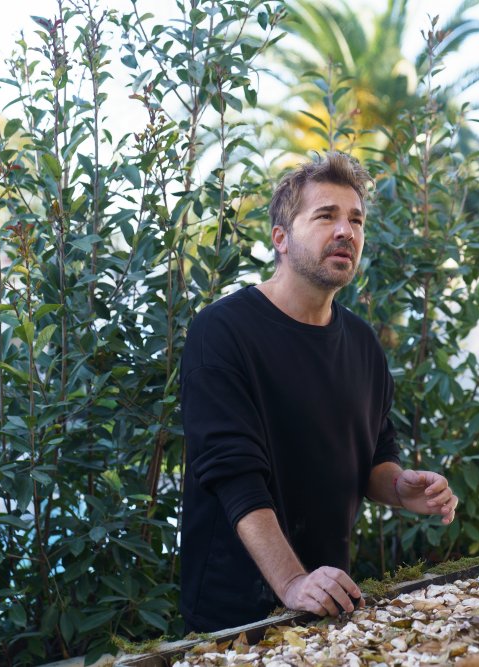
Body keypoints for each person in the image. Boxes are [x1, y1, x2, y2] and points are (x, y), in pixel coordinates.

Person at [179, 151, 459, 633]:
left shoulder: (362, 344)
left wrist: (399, 487)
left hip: (328, 603)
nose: (346, 231)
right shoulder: (221, 332)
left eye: (356, 220)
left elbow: (375, 455)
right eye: (326, 216)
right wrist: (292, 582)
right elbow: (235, 477)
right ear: (281, 238)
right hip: (234, 622)